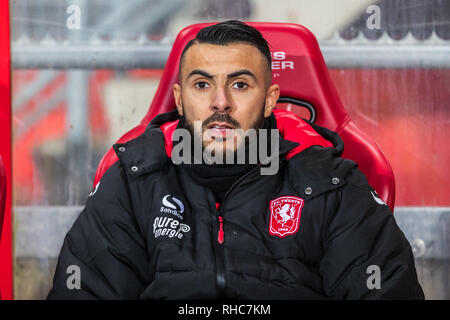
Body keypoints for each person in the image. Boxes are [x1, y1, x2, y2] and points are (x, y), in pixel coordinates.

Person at [48, 20, 424, 300]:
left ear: (271, 99)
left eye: (240, 84)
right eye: (202, 84)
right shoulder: (133, 182)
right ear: (180, 99)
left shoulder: (331, 185)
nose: (221, 102)